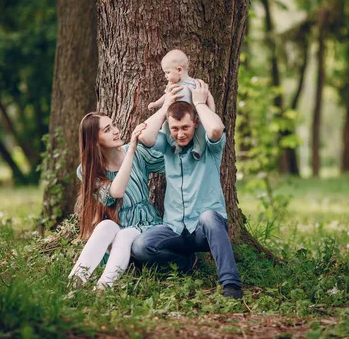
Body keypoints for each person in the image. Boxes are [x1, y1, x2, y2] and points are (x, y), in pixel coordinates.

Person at [132, 80, 243, 299]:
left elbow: (216, 128)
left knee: (210, 217)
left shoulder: (211, 148)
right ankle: (185, 262)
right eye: (175, 128)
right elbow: (145, 137)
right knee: (141, 246)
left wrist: (200, 104)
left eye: (185, 127)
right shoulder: (167, 145)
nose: (180, 134)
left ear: (195, 124)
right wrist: (165, 108)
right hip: (175, 228)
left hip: (204, 230)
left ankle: (231, 285)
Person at [68, 112, 165, 290]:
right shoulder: (86, 170)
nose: (115, 131)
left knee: (124, 234)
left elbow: (169, 159)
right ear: (95, 141)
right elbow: (116, 192)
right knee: (105, 226)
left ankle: (104, 288)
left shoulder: (137, 152)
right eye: (107, 129)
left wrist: (166, 106)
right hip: (119, 224)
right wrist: (131, 151)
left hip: (145, 224)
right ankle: (75, 283)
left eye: (113, 125)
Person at [147, 49, 215, 160]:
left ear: (179, 70)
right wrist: (155, 104)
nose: (166, 76)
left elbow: (208, 97)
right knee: (165, 126)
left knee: (202, 129)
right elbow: (166, 97)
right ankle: (175, 144)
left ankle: (198, 149)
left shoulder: (196, 83)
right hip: (174, 117)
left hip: (193, 118)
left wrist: (211, 113)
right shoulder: (172, 85)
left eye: (167, 72)